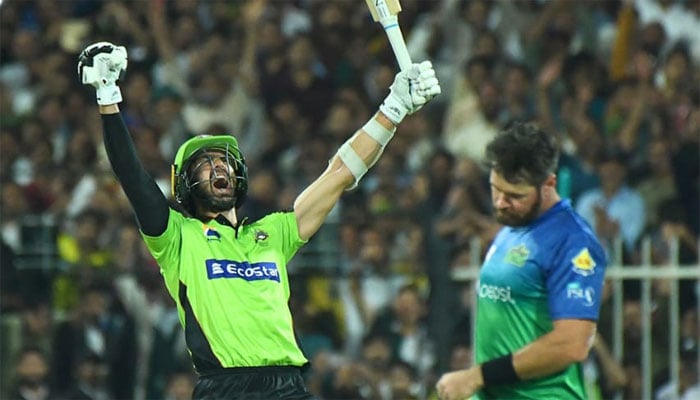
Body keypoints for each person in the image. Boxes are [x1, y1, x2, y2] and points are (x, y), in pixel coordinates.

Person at [77, 41, 440, 399]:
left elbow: (339, 174)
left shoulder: (274, 232)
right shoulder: (177, 237)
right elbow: (133, 177)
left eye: (225, 161)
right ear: (185, 184)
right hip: (225, 388)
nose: (219, 167)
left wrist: (392, 109)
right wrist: (107, 96)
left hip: (289, 386)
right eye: (205, 164)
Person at [436, 122, 607, 400]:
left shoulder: (572, 242)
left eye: (515, 195)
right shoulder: (515, 223)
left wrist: (478, 376)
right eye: (496, 189)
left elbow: (571, 344)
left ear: (548, 184)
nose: (500, 203)